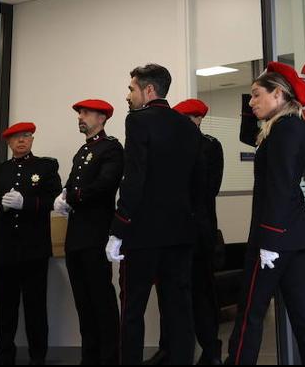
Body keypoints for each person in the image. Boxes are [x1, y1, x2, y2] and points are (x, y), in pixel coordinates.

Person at [109, 64, 209, 365]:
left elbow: (134, 177)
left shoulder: (138, 121)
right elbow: (199, 184)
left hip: (143, 233)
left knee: (132, 310)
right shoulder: (187, 127)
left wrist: (119, 225)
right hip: (180, 232)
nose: (128, 96)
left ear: (148, 90)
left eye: (131, 89)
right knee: (178, 310)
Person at [226, 62, 305, 365]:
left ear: (278, 94)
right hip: (293, 236)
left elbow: (280, 186)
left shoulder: (285, 129)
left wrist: (269, 239)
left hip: (274, 238)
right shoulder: (288, 126)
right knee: (304, 317)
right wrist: (252, 93)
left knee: (250, 314)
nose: (252, 102)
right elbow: (247, 133)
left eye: (256, 95)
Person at [53, 99, 123, 365]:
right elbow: (71, 185)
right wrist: (63, 197)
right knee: (83, 303)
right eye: (79, 113)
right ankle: (89, 357)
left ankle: (109, 358)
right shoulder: (82, 152)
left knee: (101, 302)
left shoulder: (111, 148)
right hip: (76, 237)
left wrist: (71, 195)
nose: (80, 117)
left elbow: (105, 185)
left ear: (102, 118)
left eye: (85, 113)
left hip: (96, 235)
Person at [0, 122, 61, 365]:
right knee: (5, 307)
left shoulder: (45, 166)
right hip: (3, 250)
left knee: (35, 307)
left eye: (26, 136)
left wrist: (27, 203)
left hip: (34, 250)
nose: (22, 141)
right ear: (9, 143)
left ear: (32, 140)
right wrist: (2, 206)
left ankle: (38, 357)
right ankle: (5, 354)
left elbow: (55, 199)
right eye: (16, 138)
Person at [169, 98, 226, 366]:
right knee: (174, 296)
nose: (193, 124)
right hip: (173, 234)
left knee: (202, 295)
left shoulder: (210, 147)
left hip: (199, 233)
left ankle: (211, 349)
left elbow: (208, 189)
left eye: (196, 119)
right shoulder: (169, 148)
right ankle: (173, 350)